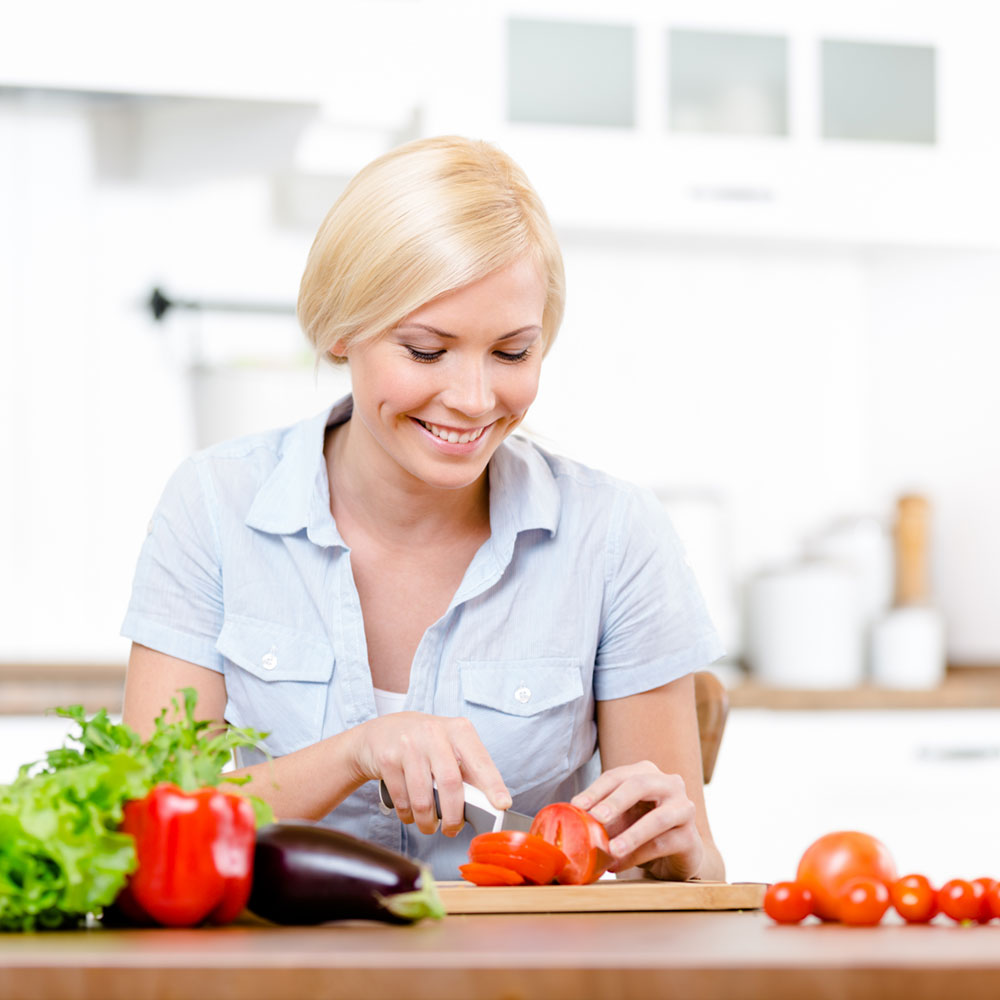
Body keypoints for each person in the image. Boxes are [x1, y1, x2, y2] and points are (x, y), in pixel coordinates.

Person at [121, 135, 726, 882]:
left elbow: (667, 882)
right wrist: (355, 752)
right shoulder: (213, 506)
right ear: (341, 330)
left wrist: (686, 857)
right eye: (426, 350)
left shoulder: (614, 536)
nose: (474, 399)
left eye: (511, 353)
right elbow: (154, 828)